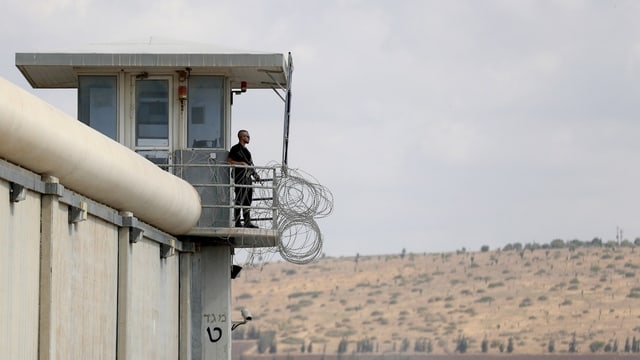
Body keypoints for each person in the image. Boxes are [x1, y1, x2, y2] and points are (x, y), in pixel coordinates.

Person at [227, 129, 261, 228]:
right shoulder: (235, 149)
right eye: (247, 136)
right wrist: (240, 163)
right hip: (239, 178)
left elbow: (250, 165)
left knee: (247, 200)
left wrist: (256, 175)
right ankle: (237, 222)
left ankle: (247, 222)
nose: (248, 138)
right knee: (239, 199)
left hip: (247, 179)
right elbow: (229, 161)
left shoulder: (247, 152)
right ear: (242, 137)